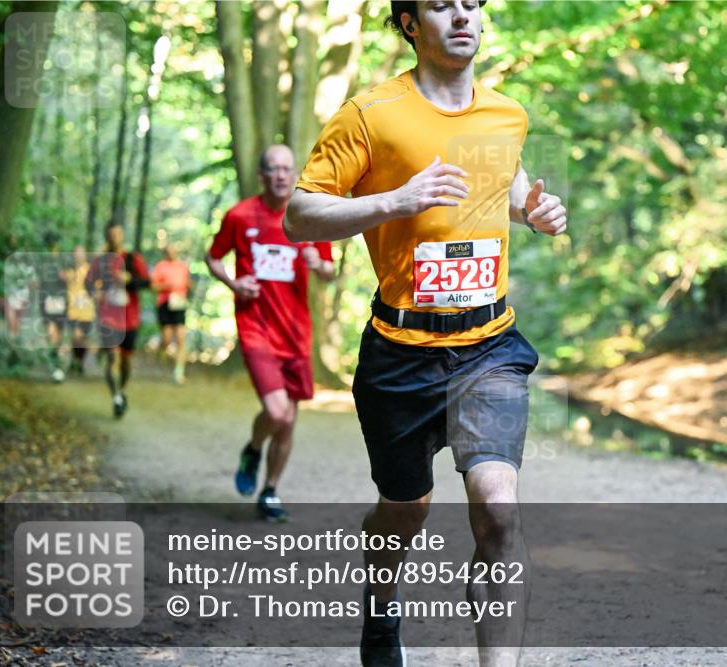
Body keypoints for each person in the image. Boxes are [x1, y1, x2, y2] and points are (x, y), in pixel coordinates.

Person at [285, 1, 567, 665]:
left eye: (472, 3)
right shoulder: (371, 114)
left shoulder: (507, 114)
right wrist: (395, 200)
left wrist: (535, 210)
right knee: (403, 512)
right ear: (411, 23)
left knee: (499, 510)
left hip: (488, 346)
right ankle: (381, 607)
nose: (463, 16)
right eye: (443, 5)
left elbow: (505, 187)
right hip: (400, 354)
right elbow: (300, 213)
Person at [206, 145, 335, 522]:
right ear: (262, 176)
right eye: (272, 169)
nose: (280, 175)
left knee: (290, 420)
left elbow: (328, 270)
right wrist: (233, 282)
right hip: (256, 326)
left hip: (296, 332)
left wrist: (320, 265)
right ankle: (253, 447)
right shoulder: (240, 215)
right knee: (277, 412)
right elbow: (213, 257)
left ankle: (270, 490)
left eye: (286, 168)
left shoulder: (309, 218)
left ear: (295, 175)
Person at [86, 222, 149, 418]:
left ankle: (121, 391)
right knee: (112, 357)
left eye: (118, 234)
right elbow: (88, 282)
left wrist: (130, 279)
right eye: (111, 234)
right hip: (108, 317)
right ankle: (116, 398)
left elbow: (147, 281)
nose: (114, 237)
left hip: (130, 318)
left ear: (122, 235)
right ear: (107, 236)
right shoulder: (101, 260)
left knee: (125, 361)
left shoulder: (132, 259)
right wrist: (94, 293)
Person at [151, 242, 192, 384]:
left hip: (179, 303)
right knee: (167, 338)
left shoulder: (183, 266)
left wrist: (188, 287)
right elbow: (153, 285)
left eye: (173, 250)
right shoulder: (160, 266)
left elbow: (188, 283)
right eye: (168, 251)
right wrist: (166, 286)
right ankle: (162, 351)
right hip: (165, 304)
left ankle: (178, 372)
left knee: (181, 338)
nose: (171, 253)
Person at [38, 233, 69, 383]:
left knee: (59, 335)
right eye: (51, 243)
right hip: (46, 300)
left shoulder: (64, 259)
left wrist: (66, 277)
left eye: (55, 243)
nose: (53, 245)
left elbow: (72, 277)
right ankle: (56, 366)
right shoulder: (41, 260)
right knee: (51, 333)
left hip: (61, 300)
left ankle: (57, 364)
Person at [64, 245, 96, 377]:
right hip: (72, 310)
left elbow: (96, 287)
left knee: (82, 338)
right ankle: (75, 360)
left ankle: (79, 362)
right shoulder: (69, 271)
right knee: (75, 337)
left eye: (81, 253)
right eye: (76, 253)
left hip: (87, 311)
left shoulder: (90, 270)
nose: (79, 255)